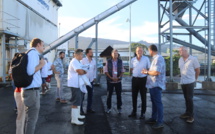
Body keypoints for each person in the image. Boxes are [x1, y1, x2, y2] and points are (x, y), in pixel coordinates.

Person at [21, 38, 45, 134]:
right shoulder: (33, 54)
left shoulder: (30, 53)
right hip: (32, 91)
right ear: (38, 45)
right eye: (43, 45)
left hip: (31, 90)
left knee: (30, 118)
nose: (43, 47)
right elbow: (30, 71)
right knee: (32, 119)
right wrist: (41, 64)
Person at [142, 44, 166, 129]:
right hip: (153, 85)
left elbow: (156, 72)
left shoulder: (159, 58)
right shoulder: (155, 58)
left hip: (156, 85)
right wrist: (147, 71)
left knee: (158, 103)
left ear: (151, 50)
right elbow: (153, 71)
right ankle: (153, 118)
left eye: (149, 51)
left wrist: (146, 72)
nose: (149, 52)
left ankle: (160, 122)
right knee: (154, 103)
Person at [178, 46, 200, 123]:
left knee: (189, 98)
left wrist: (195, 79)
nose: (179, 52)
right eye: (179, 51)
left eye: (180, 51)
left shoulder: (193, 59)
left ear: (185, 51)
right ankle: (187, 113)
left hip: (190, 82)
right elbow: (181, 70)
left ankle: (191, 116)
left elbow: (197, 70)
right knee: (186, 98)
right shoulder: (180, 60)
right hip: (183, 82)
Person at [128, 46, 150, 119]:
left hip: (143, 79)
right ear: (136, 51)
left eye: (140, 50)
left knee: (143, 97)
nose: (139, 52)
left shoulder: (146, 59)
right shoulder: (133, 59)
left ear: (143, 52)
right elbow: (131, 68)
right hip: (135, 79)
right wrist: (135, 72)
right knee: (134, 96)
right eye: (138, 51)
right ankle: (134, 112)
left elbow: (149, 68)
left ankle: (143, 113)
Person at [68, 49, 86, 125]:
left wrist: (84, 71)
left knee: (78, 100)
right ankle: (74, 119)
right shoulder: (74, 61)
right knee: (76, 101)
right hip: (75, 84)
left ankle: (77, 115)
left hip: (77, 84)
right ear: (77, 55)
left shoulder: (77, 61)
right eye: (81, 54)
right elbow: (80, 71)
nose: (82, 56)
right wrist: (85, 71)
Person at [104, 49, 125, 114]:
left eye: (116, 53)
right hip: (110, 81)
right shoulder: (108, 61)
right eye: (114, 53)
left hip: (118, 82)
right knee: (109, 95)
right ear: (111, 54)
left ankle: (119, 108)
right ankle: (108, 108)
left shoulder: (120, 61)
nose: (115, 54)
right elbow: (106, 71)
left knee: (119, 95)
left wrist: (118, 77)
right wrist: (111, 78)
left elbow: (122, 70)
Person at [80, 48, 96, 114]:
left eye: (92, 52)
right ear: (87, 53)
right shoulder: (83, 60)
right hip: (84, 81)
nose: (92, 53)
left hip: (91, 81)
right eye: (91, 52)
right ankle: (80, 110)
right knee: (82, 96)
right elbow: (80, 69)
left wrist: (94, 77)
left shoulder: (94, 61)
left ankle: (89, 108)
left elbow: (94, 69)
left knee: (90, 95)